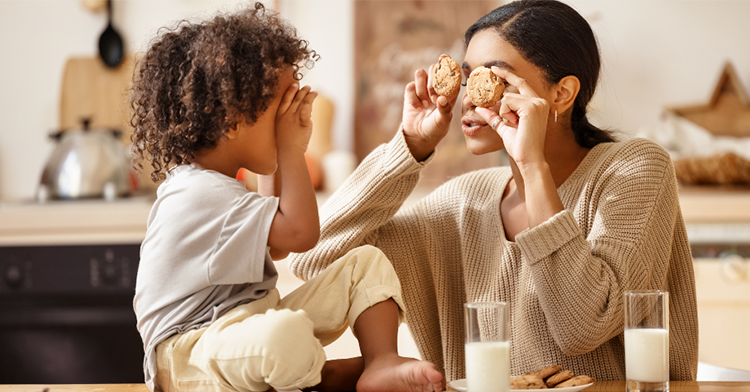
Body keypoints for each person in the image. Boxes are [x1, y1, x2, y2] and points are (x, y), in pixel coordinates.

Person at [288, 0, 699, 383]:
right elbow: (315, 256)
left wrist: (531, 165)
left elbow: (583, 326)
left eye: (494, 78)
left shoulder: (633, 168)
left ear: (562, 93)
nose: (470, 97)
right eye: (468, 78)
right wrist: (409, 146)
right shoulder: (465, 200)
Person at [129, 3, 444, 392]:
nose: (290, 119)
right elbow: (299, 235)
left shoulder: (216, 186)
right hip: (189, 353)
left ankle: (380, 362)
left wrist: (280, 151)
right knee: (283, 334)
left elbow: (276, 248)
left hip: (244, 326)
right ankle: (324, 378)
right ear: (233, 120)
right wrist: (291, 150)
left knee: (364, 263)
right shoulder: (199, 194)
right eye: (282, 108)